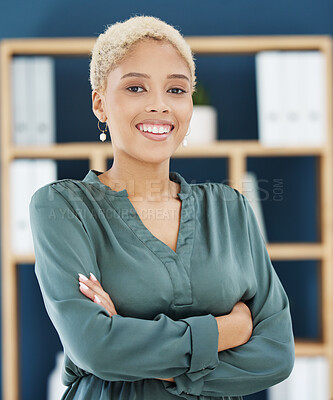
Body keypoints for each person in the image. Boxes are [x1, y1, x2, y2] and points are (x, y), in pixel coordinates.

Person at [29, 15, 295, 400]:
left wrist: (131, 342)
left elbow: (275, 355)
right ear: (100, 103)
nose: (159, 105)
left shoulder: (230, 207)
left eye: (176, 89)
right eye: (136, 87)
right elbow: (95, 349)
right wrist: (230, 329)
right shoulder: (62, 206)